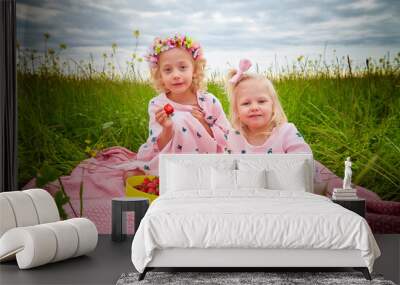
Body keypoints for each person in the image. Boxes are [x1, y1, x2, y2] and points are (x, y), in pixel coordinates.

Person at [115, 34, 231, 176]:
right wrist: (167, 128)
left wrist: (203, 123)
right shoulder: (157, 105)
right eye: (168, 70)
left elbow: (227, 137)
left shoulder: (209, 102)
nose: (175, 75)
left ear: (194, 70)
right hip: (171, 164)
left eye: (182, 67)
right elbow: (160, 146)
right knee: (133, 176)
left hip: (205, 162)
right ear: (160, 75)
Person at [223, 59, 311, 154]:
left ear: (273, 106)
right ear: (237, 110)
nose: (254, 107)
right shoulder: (233, 137)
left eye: (261, 101)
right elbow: (227, 165)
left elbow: (302, 160)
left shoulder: (286, 132)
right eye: (246, 103)